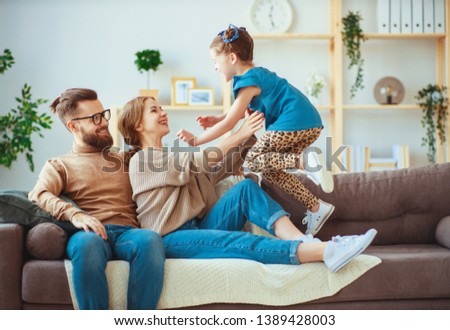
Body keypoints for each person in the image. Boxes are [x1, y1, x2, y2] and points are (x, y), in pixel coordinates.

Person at [118, 95, 377, 273]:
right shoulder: (142, 160)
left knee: (245, 189)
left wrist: (248, 129)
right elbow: (198, 161)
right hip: (170, 239)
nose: (163, 112)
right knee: (237, 242)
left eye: (161, 108)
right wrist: (238, 133)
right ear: (138, 124)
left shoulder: (169, 157)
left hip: (198, 226)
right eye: (154, 110)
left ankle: (304, 240)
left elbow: (218, 169)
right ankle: (323, 251)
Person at [177, 24, 335, 236]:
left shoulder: (247, 81)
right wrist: (217, 119)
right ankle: (316, 206)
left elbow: (230, 124)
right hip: (307, 123)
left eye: (215, 61)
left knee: (252, 161)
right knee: (270, 170)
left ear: (232, 58)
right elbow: (236, 112)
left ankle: (305, 162)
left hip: (294, 121)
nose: (215, 67)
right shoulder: (257, 76)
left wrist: (196, 140)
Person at [28, 88, 165, 310]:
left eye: (104, 114)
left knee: (149, 239)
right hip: (89, 234)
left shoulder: (125, 159)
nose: (103, 122)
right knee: (88, 246)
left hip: (127, 233)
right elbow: (39, 194)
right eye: (95, 118)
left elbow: (159, 160)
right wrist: (76, 214)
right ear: (73, 126)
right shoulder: (59, 164)